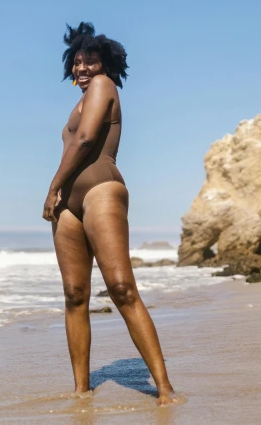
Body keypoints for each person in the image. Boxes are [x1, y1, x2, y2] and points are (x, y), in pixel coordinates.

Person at [42, 22, 182, 406]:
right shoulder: (79, 99)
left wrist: (53, 187)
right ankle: (81, 388)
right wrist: (60, 194)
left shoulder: (105, 87)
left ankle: (165, 389)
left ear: (104, 65)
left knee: (121, 288)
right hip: (68, 205)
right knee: (74, 295)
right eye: (77, 61)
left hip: (101, 190)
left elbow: (86, 140)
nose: (83, 68)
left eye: (90, 61)